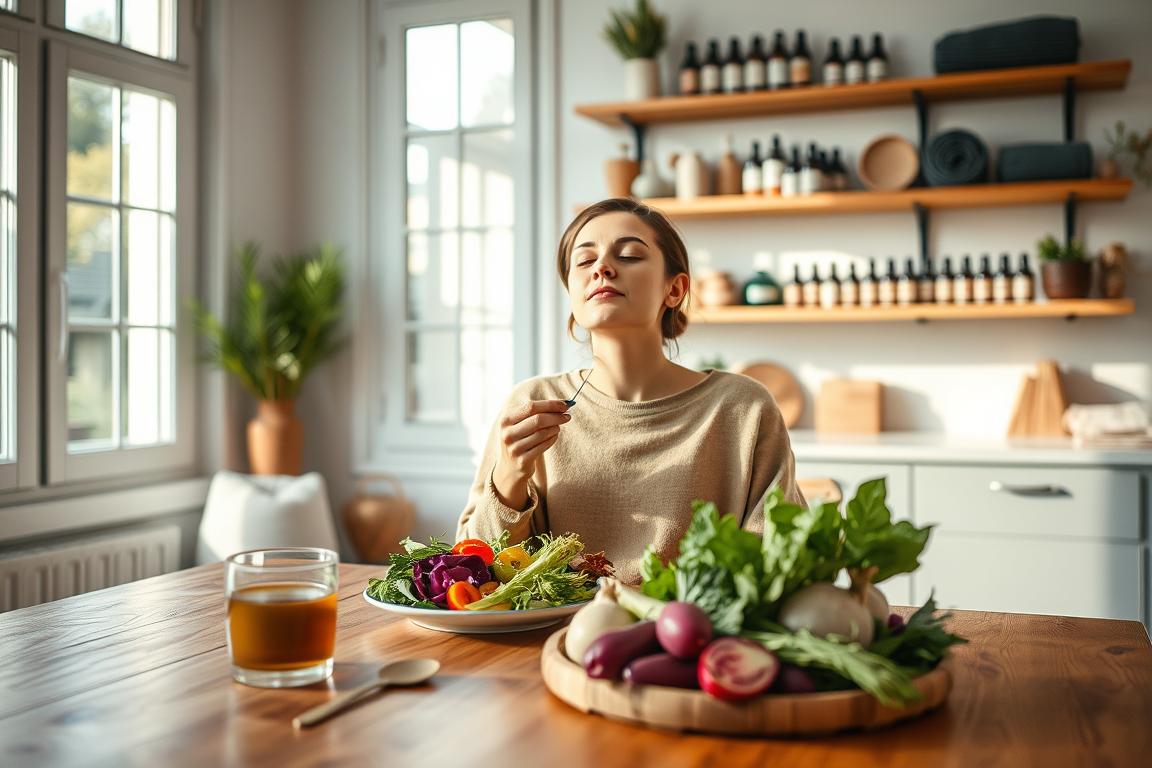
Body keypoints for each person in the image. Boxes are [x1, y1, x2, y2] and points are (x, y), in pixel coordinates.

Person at [456, 198, 805, 583]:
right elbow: (475, 575)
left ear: (674, 289)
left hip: (691, 634)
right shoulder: (531, 405)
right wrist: (508, 476)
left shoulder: (743, 408)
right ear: (573, 292)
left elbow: (779, 563)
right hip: (558, 637)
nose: (602, 268)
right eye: (584, 261)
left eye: (629, 255)